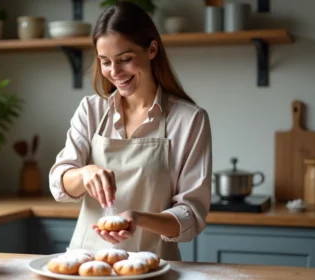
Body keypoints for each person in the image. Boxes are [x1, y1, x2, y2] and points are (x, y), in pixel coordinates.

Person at [49, 1, 212, 261]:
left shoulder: (189, 120)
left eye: (125, 60)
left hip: (155, 265)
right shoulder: (91, 110)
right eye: (105, 62)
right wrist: (84, 173)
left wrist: (138, 218)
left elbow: (191, 214)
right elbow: (59, 182)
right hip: (87, 263)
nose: (115, 73)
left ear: (152, 49)